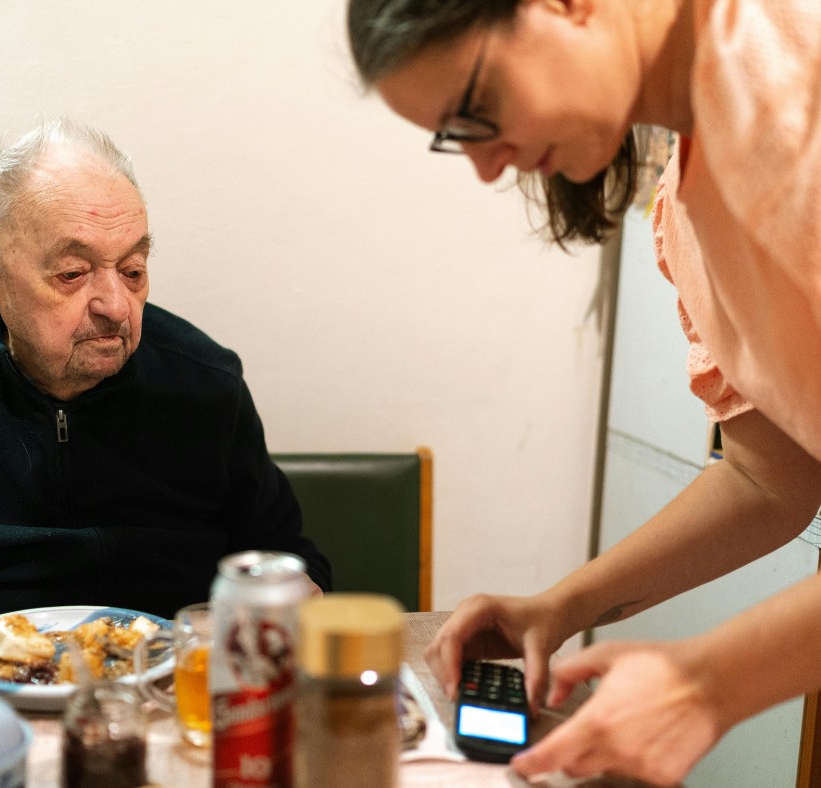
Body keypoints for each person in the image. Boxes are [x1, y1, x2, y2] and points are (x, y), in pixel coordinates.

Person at [346, 0, 821, 784]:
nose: (488, 167)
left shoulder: (788, 78)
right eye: (456, 139)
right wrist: (562, 607)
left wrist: (707, 685)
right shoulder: (689, 206)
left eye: (478, 111)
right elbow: (769, 479)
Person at [0, 118, 331, 626]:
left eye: (133, 269)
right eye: (73, 274)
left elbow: (285, 554)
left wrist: (289, 591)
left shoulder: (205, 382)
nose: (116, 306)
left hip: (163, 676)